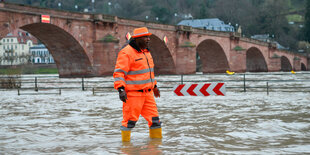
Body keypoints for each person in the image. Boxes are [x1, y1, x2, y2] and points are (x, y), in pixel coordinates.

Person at [113, 27, 162, 142]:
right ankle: (125, 147)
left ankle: (156, 148)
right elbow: (119, 73)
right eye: (146, 37)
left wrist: (154, 87)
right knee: (129, 122)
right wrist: (121, 89)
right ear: (137, 39)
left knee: (155, 121)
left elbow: (149, 74)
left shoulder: (147, 52)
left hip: (148, 94)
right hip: (133, 95)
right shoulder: (126, 52)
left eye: (148, 37)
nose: (148, 39)